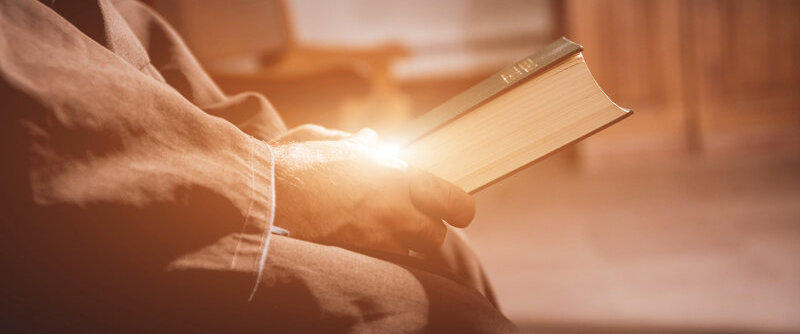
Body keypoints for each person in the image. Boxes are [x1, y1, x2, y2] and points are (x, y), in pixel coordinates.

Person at [0, 0, 516, 332]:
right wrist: (274, 180)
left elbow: (133, 53)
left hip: (170, 155)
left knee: (444, 248)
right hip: (66, 229)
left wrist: (275, 146)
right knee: (442, 317)